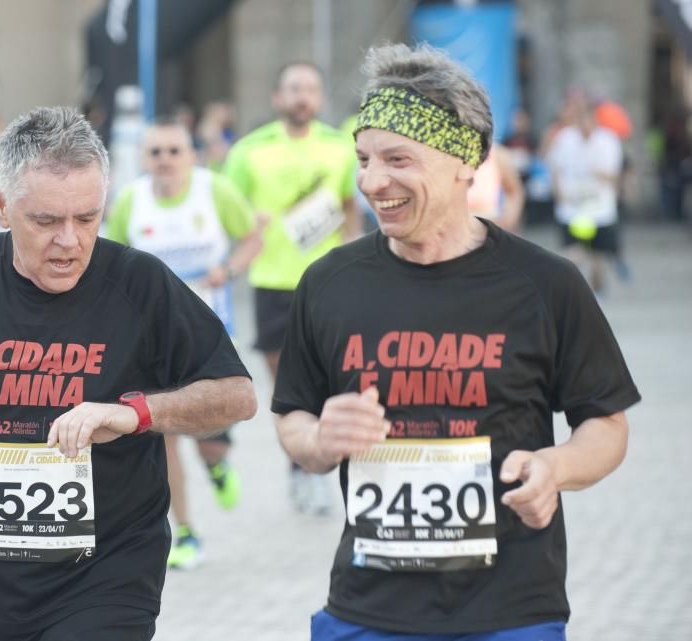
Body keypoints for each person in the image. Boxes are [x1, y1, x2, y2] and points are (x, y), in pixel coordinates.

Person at [272, 43, 639, 640]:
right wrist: (317, 441)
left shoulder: (545, 285)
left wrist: (556, 466)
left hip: (511, 609)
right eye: (363, 158)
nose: (372, 181)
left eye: (398, 159)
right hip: (367, 607)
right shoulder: (328, 283)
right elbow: (293, 415)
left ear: (466, 161)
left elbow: (607, 426)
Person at [0, 106, 257, 641]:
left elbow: (237, 395)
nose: (69, 241)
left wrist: (135, 413)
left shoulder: (139, 283)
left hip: (111, 572)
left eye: (87, 218)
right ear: (1, 207)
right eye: (45, 221)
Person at [105, 118, 262, 570]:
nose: (165, 161)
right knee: (164, 433)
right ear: (144, 159)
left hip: (209, 335)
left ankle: (216, 465)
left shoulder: (214, 191)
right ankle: (186, 531)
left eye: (174, 151)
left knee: (208, 439)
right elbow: (112, 264)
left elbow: (253, 237)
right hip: (152, 340)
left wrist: (228, 270)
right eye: (156, 153)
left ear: (190, 155)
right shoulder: (131, 201)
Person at [224, 61, 359, 515]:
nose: (302, 96)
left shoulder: (341, 147)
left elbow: (348, 206)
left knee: (331, 378)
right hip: (273, 282)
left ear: (319, 99)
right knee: (287, 385)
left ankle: (319, 469)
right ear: (277, 98)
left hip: (328, 282)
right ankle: (300, 467)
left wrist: (358, 255)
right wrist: (247, 224)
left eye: (310, 89)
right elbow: (228, 208)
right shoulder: (249, 151)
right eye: (293, 88)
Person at [546, 100, 624, 294]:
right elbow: (554, 167)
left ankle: (598, 287)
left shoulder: (608, 141)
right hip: (572, 206)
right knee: (572, 252)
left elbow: (615, 174)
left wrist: (600, 173)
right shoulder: (564, 138)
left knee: (598, 256)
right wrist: (558, 192)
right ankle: (575, 290)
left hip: (600, 207)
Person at [465, 143, 525, 232]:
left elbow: (514, 191)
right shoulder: (446, 155)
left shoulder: (497, 154)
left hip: (488, 226)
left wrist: (508, 221)